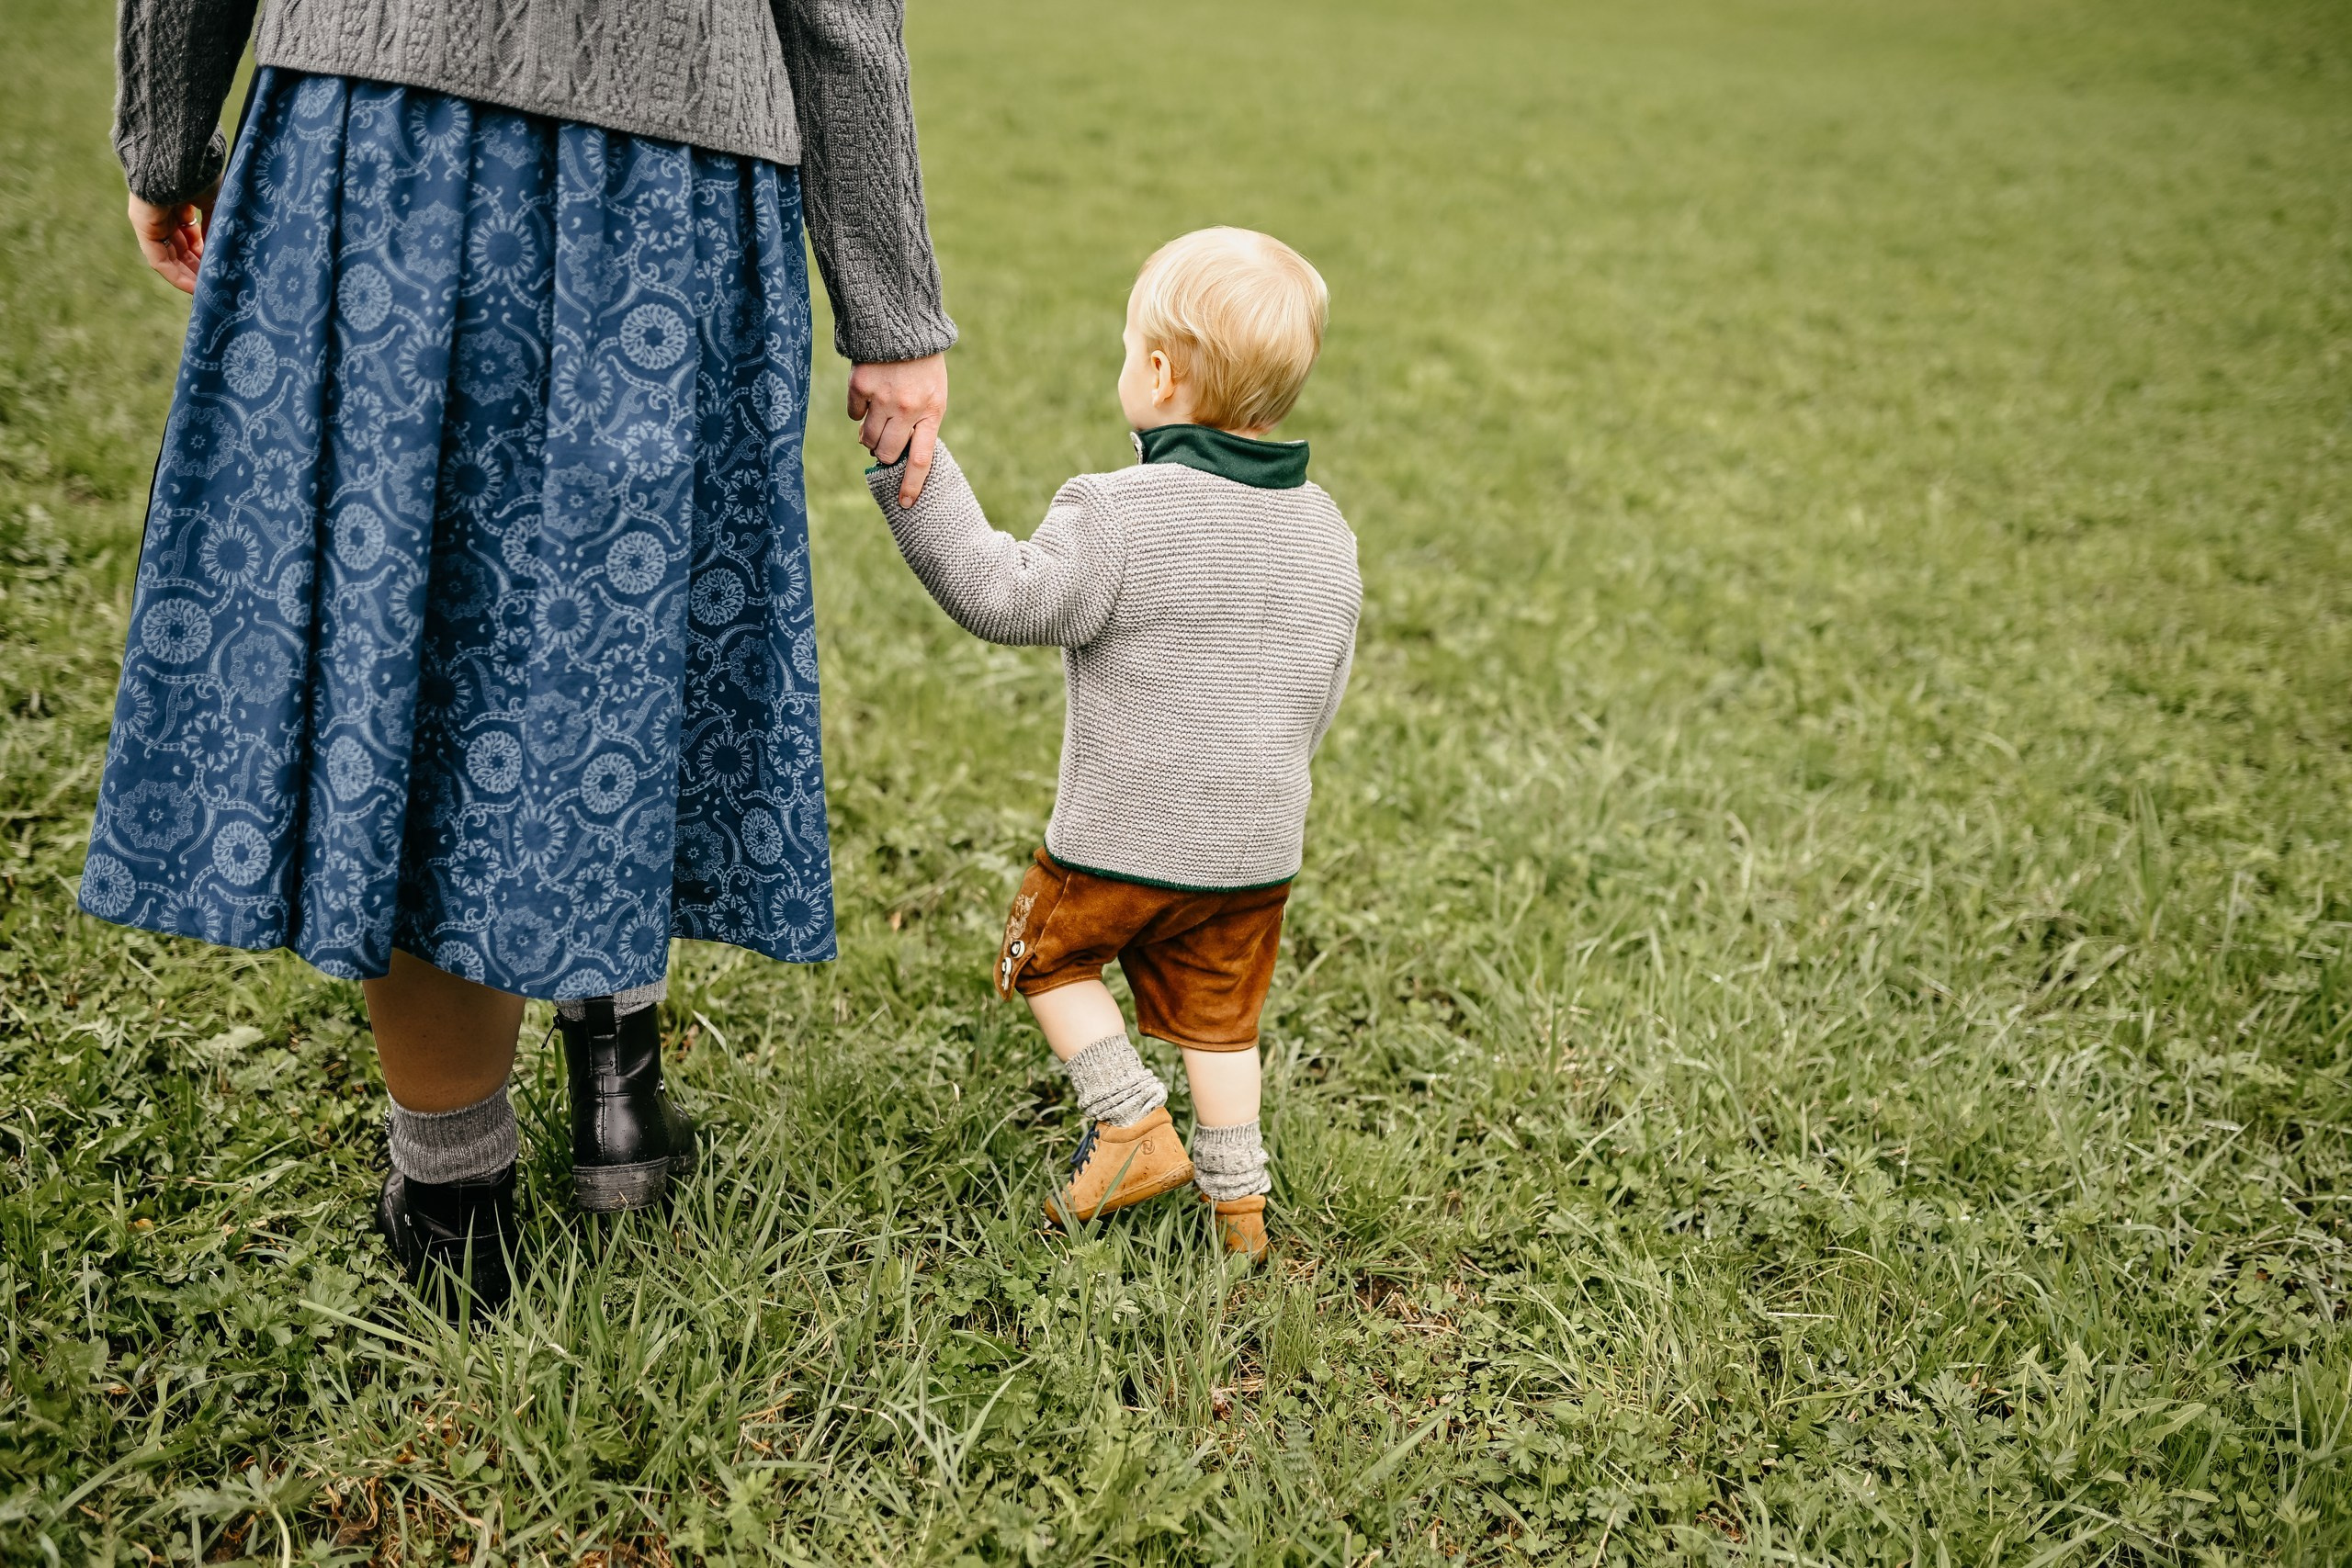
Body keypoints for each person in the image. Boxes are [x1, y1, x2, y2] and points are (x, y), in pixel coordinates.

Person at [90, 0, 956, 1313]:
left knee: (426, 639)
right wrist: (890, 305)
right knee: (616, 629)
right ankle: (615, 1076)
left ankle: (456, 1197)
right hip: (674, 171)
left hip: (388, 136)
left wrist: (164, 139)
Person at [865, 228, 1360, 1261]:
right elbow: (1323, 684)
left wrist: (917, 472)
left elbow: (1001, 595)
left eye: (1127, 348)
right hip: (1257, 844)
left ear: (1161, 373)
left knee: (1050, 958)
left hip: (1123, 834)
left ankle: (1129, 1120)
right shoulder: (1326, 530)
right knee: (1221, 1019)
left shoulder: (1119, 512)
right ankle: (1240, 1212)